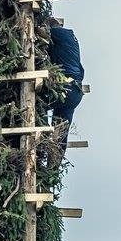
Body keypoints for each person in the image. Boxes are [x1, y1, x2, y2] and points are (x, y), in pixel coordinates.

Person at [48, 17, 84, 150]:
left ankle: (37, 140)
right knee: (60, 132)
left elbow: (39, 32)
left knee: (35, 105)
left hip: (65, 89)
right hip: (75, 93)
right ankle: (53, 169)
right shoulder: (71, 39)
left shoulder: (56, 33)